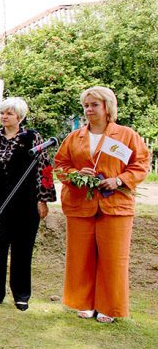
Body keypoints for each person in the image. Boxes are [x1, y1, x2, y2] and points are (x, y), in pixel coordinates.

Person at [54, 87, 150, 323]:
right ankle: (83, 303)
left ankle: (109, 307)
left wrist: (119, 180)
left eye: (94, 105)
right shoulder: (73, 138)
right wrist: (76, 174)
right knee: (80, 257)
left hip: (115, 206)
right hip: (80, 205)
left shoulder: (127, 135)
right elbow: (60, 166)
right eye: (86, 105)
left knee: (113, 258)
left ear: (108, 107)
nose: (89, 109)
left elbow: (141, 164)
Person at [0, 97, 56, 311]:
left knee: (22, 249)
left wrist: (43, 199)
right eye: (2, 113)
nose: (4, 117)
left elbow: (43, 168)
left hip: (25, 203)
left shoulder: (33, 137)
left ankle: (21, 294)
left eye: (9, 113)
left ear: (20, 117)